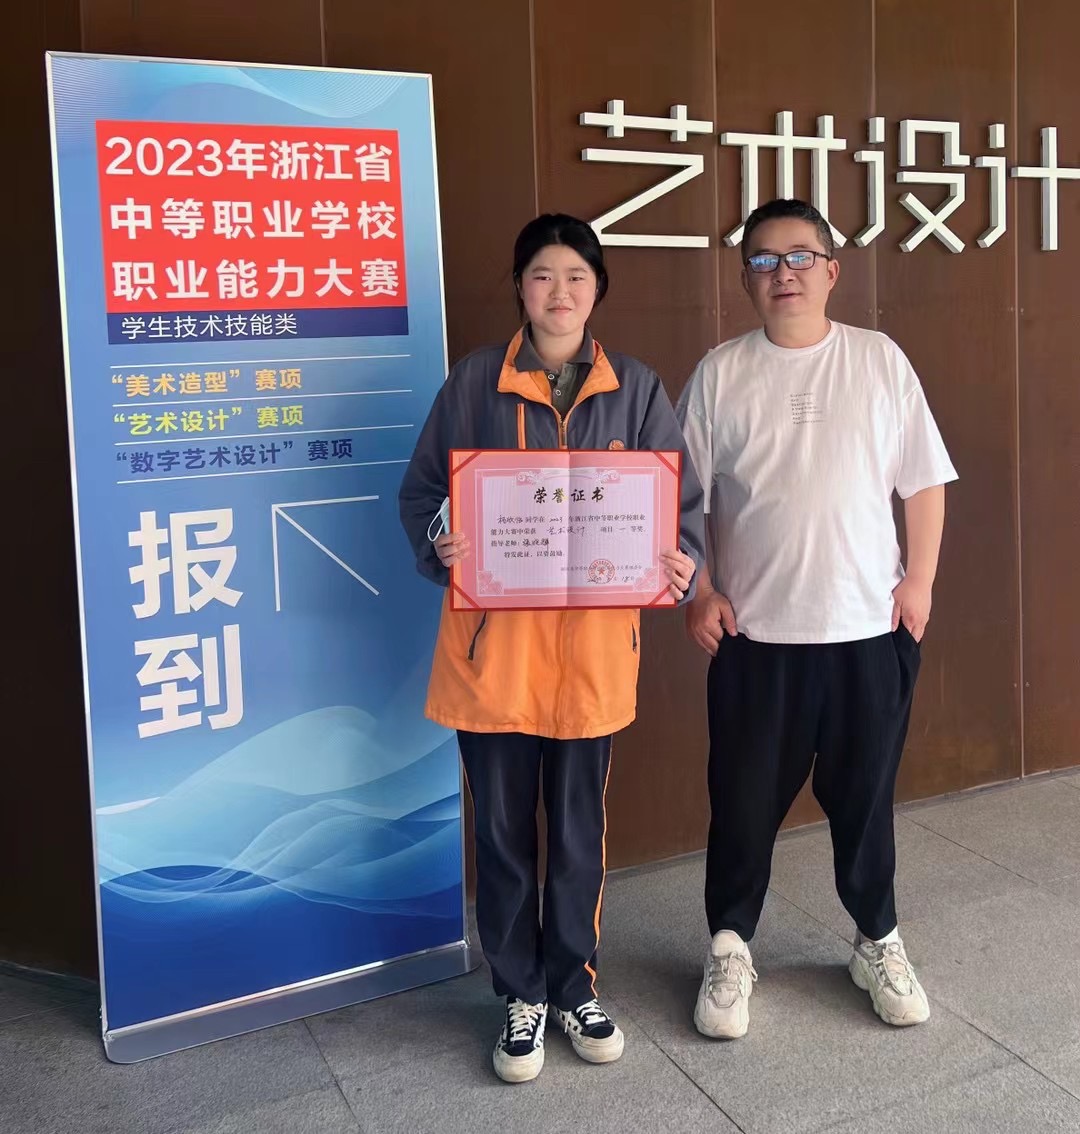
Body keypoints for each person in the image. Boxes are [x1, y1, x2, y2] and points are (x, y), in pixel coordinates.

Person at [399, 214, 706, 1083]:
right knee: (502, 839)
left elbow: (677, 508)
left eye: (577, 275)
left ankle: (575, 986)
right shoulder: (473, 381)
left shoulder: (637, 388)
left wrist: (682, 562)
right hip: (492, 656)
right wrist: (442, 543)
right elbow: (423, 493)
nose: (560, 291)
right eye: (542, 274)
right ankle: (520, 994)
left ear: (597, 287)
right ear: (519, 287)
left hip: (592, 657)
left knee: (577, 835)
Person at [678, 198, 958, 1039]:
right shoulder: (720, 374)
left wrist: (921, 583)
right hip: (756, 638)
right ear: (745, 280)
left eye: (800, 256)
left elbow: (924, 479)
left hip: (868, 631)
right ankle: (730, 946)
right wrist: (699, 591)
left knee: (865, 802)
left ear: (833, 271)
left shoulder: (877, 359)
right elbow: (679, 499)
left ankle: (878, 940)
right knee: (741, 804)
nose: (783, 273)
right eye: (763, 261)